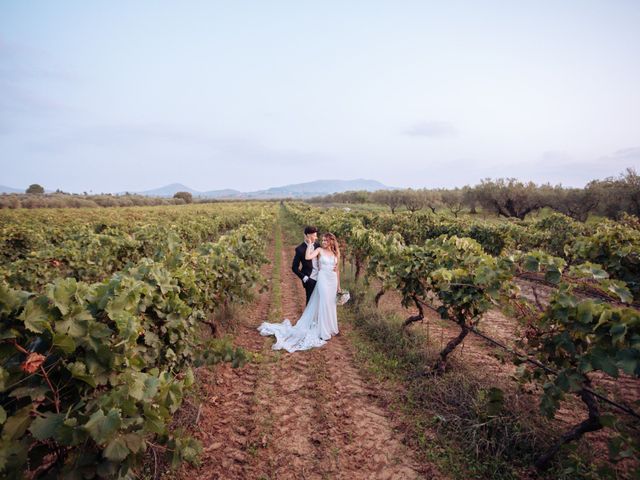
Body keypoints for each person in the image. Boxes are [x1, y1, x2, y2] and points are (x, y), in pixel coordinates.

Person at [258, 232, 342, 352]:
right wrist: (309, 245)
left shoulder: (335, 253)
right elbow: (308, 257)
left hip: (332, 280)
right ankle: (323, 331)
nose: (323, 242)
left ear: (332, 241)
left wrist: (338, 286)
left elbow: (337, 270)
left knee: (330, 304)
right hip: (323, 279)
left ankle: (331, 327)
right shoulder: (319, 250)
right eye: (322, 240)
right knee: (323, 301)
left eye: (326, 241)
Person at [291, 226, 320, 305]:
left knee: (320, 301)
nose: (316, 238)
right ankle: (309, 317)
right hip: (309, 278)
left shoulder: (318, 246)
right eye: (314, 236)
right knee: (310, 301)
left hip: (321, 277)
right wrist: (304, 277)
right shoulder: (300, 249)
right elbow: (294, 267)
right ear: (308, 236)